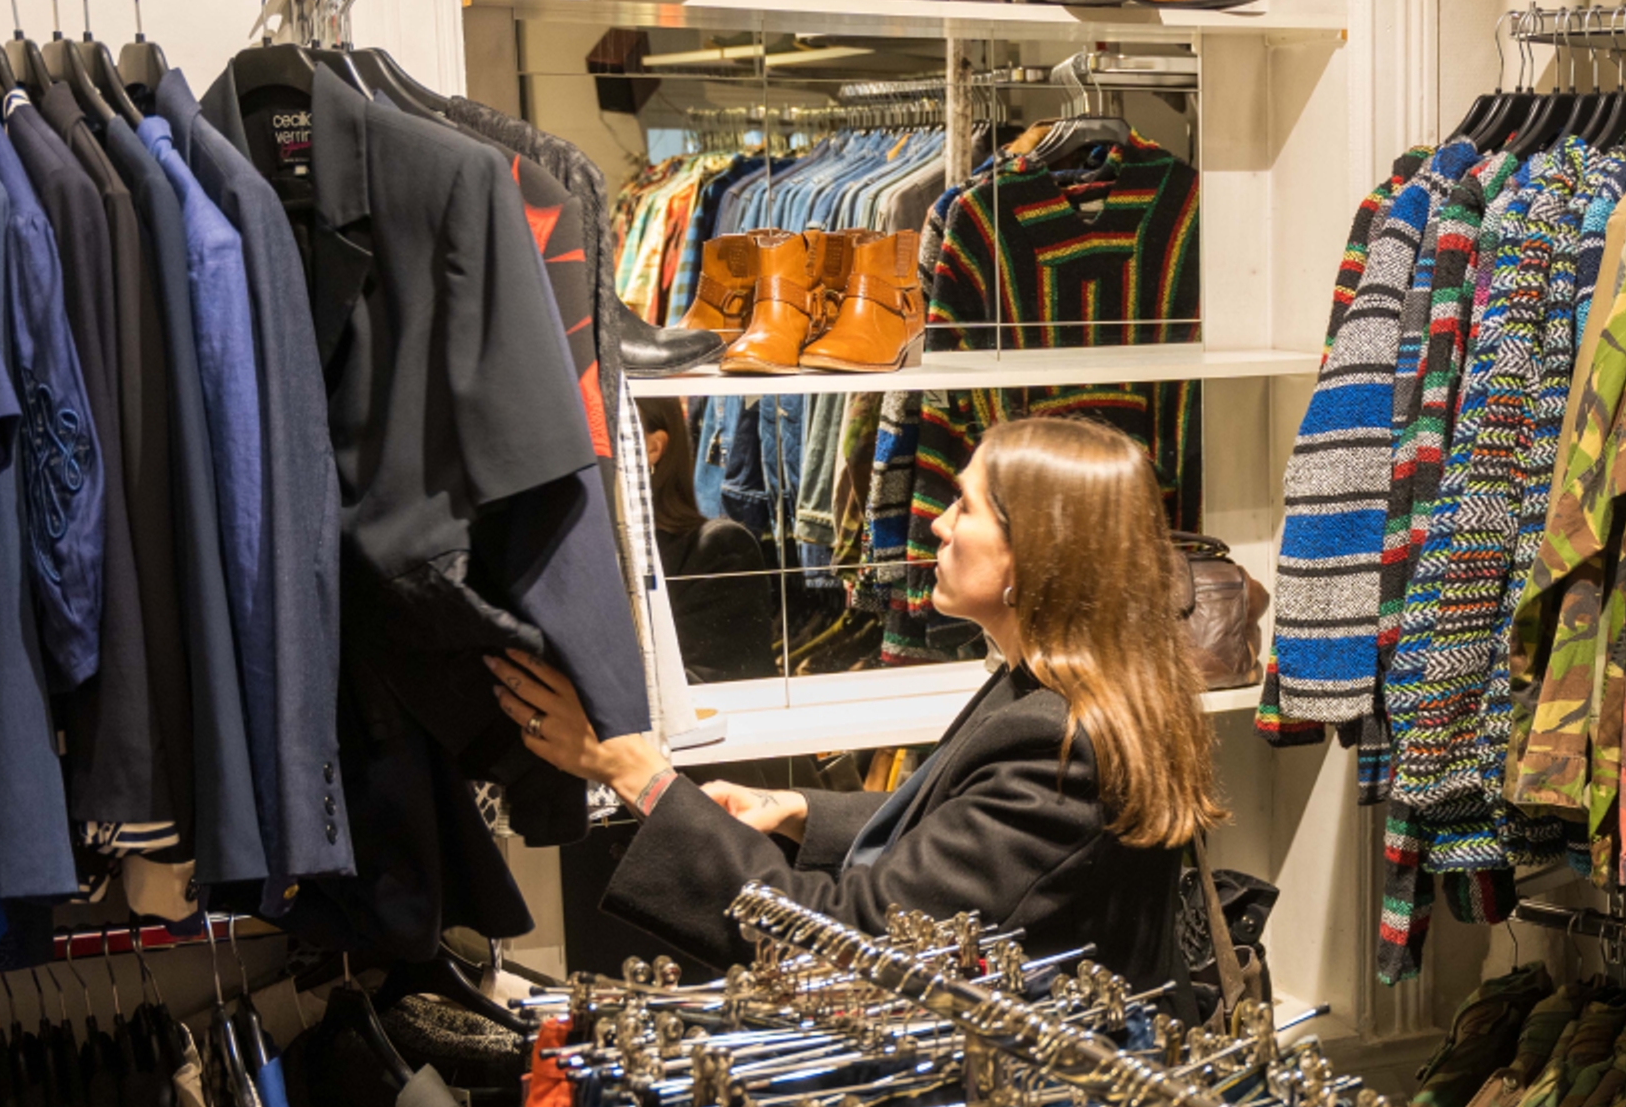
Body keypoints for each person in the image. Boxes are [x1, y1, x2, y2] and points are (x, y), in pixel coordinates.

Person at [488, 415, 1222, 990]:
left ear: (1035, 553)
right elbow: (967, 833)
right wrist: (803, 813)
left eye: (964, 507)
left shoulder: (1058, 741)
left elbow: (861, 941)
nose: (936, 521)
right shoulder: (1057, 693)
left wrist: (641, 777)